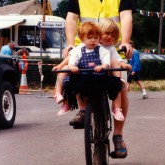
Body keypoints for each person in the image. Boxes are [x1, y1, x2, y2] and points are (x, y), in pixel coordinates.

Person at [53, 0, 135, 158]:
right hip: (84, 47)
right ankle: (83, 110)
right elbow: (71, 18)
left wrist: (125, 41)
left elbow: (126, 17)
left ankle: (118, 136)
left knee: (121, 86)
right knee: (76, 75)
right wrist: (70, 44)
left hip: (112, 49)